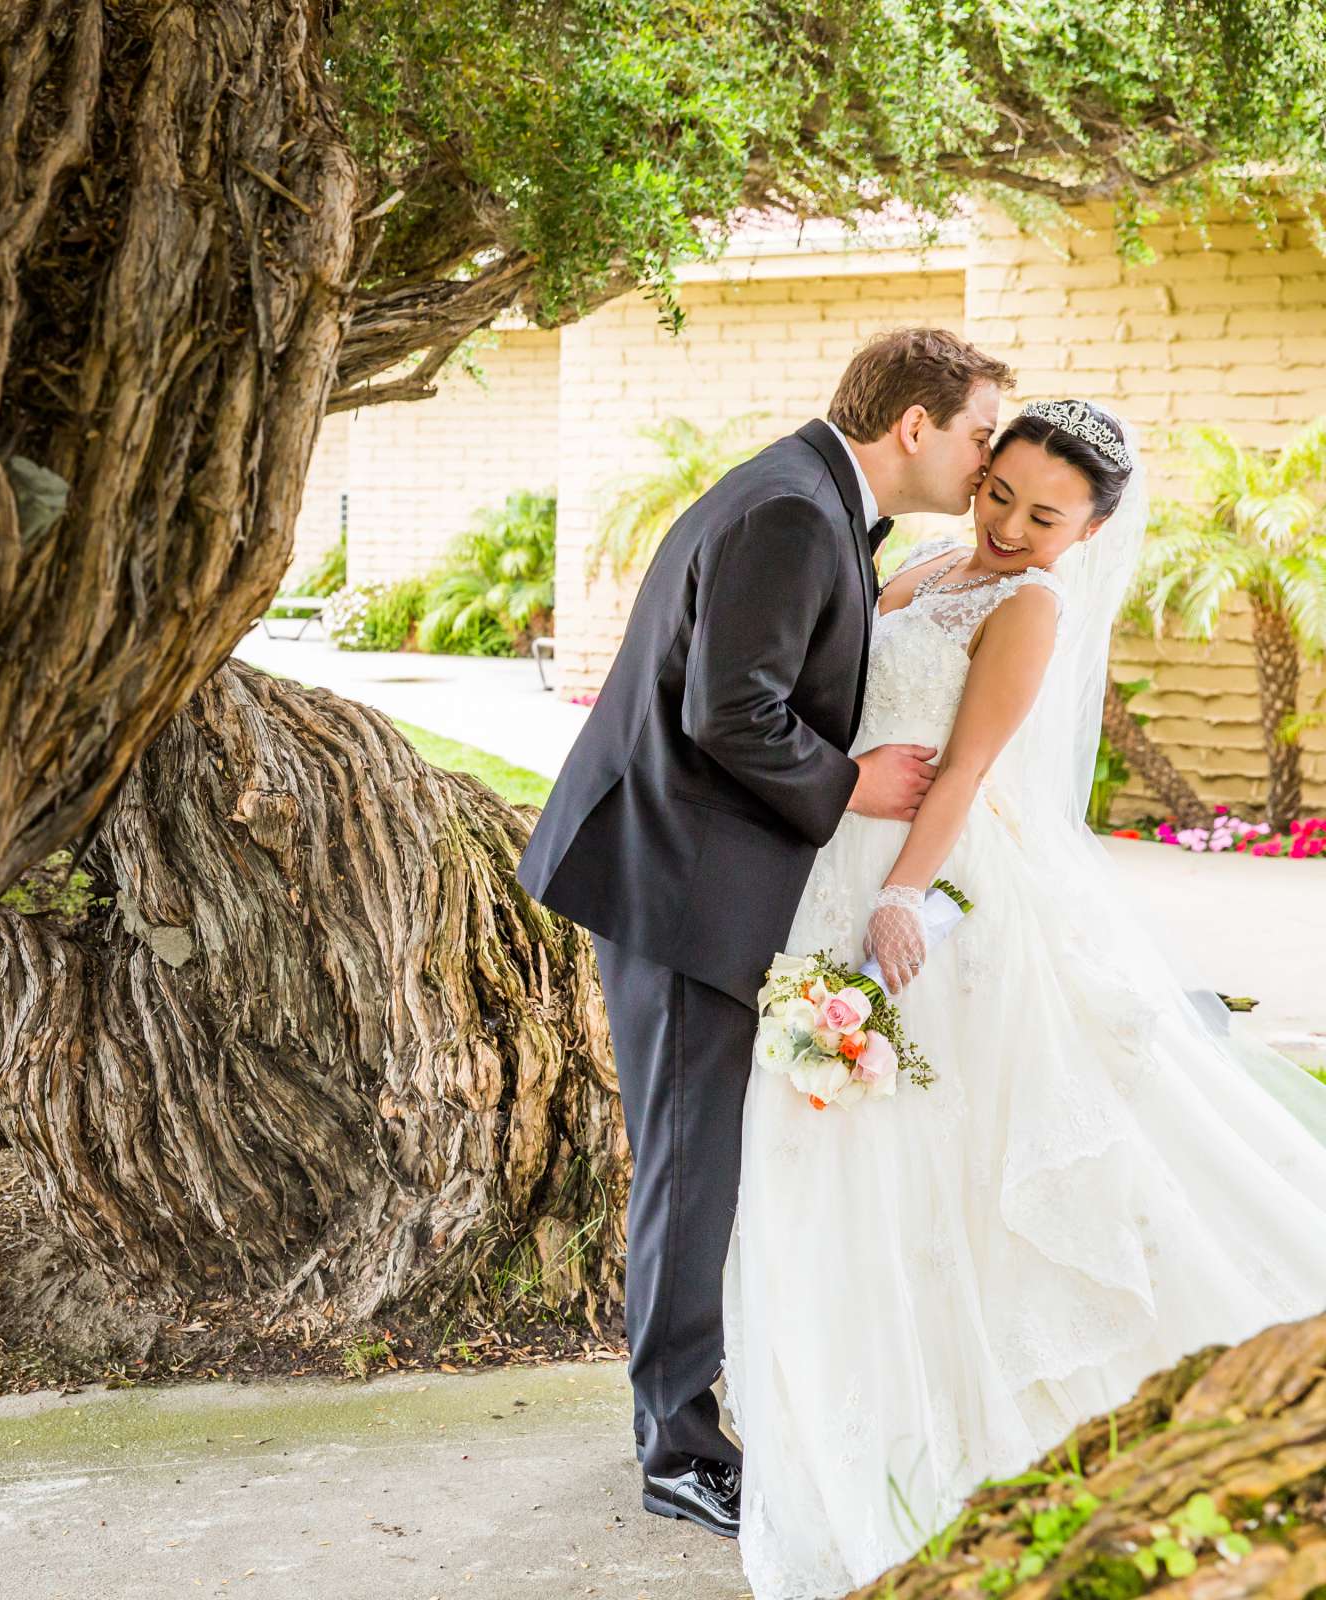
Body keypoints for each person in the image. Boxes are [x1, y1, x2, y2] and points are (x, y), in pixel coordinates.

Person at [722, 397, 1326, 1597]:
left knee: (946, 1140)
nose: (1006, 523)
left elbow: (969, 771)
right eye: (998, 490)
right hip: (840, 854)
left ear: (1090, 529)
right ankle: (837, 1383)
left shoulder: (1030, 604)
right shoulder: (935, 559)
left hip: (937, 885)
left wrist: (898, 899)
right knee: (826, 1145)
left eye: (1044, 515)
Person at [515, 327, 1015, 1536]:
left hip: (684, 867)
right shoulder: (793, 510)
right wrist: (852, 783)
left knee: (698, 1163)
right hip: (678, 882)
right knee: (691, 1173)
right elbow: (729, 709)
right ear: (915, 427)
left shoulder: (808, 496)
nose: (987, 456)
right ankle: (678, 1448)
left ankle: (682, 1411)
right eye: (980, 432)